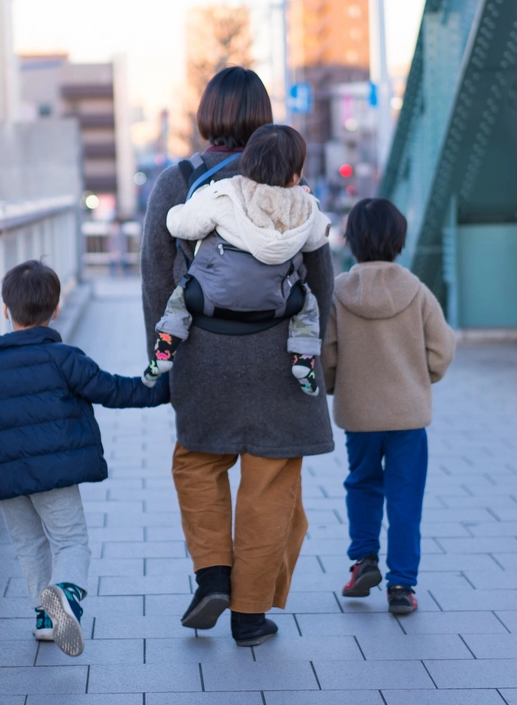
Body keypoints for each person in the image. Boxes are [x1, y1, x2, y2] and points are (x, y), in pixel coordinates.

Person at [141, 67, 335, 647]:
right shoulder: (293, 186)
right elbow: (322, 280)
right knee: (270, 483)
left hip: (205, 355)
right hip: (280, 358)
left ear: (207, 115)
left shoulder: (177, 182)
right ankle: (250, 614)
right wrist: (315, 357)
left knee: (197, 464)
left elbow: (156, 275)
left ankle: (212, 578)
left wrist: (161, 357)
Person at [0, 260, 170, 655]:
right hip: (54, 474)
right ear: (55, 309)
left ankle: (44, 617)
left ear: (6, 310)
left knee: (29, 546)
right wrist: (161, 388)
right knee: (70, 540)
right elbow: (111, 390)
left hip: (7, 477)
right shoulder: (64, 358)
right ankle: (65, 595)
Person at [320, 199, 456, 614]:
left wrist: (335, 385)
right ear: (398, 240)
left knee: (361, 482)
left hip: (359, 414)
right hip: (408, 415)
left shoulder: (339, 292)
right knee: (405, 496)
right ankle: (402, 586)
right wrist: (422, 377)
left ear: (351, 241)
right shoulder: (415, 290)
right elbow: (443, 349)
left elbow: (325, 354)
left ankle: (363, 561)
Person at [143, 124, 331, 396]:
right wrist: (308, 202)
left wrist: (174, 214)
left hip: (210, 294)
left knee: (180, 298)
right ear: (296, 175)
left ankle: (165, 348)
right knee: (308, 306)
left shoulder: (225, 193)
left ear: (248, 165)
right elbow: (318, 238)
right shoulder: (304, 205)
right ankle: (303, 359)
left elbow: (182, 225)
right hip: (280, 300)